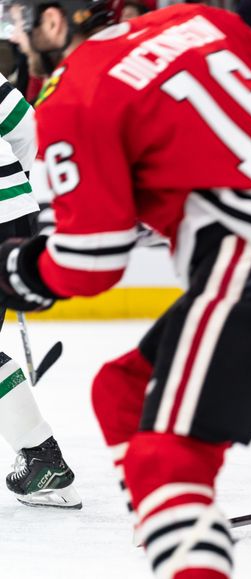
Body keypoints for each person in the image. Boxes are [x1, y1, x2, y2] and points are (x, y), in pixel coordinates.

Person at [6, 2, 251, 578]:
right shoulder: (195, 22)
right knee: (120, 389)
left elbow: (92, 262)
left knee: (166, 457)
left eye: (21, 22)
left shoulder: (76, 94)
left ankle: (182, 532)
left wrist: (20, 272)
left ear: (54, 20)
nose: (17, 39)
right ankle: (174, 525)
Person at [0, 67, 79, 509]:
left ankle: (43, 459)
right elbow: (27, 129)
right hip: (12, 213)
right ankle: (43, 461)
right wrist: (17, 198)